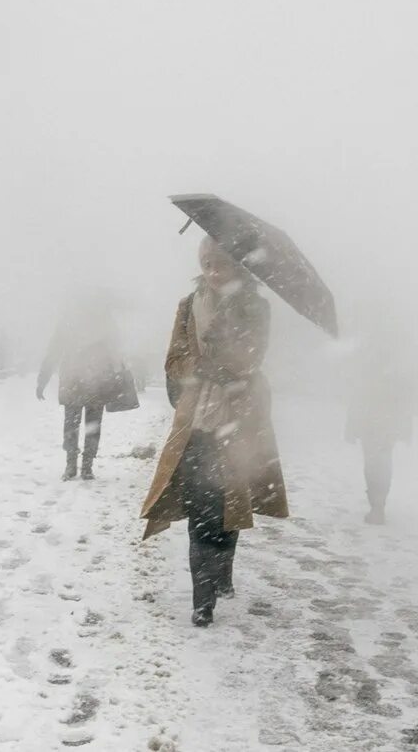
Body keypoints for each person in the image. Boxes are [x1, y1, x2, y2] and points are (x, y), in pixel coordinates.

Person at [139, 237, 289, 627]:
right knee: (201, 509)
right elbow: (173, 361)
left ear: (238, 264)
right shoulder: (188, 306)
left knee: (230, 506)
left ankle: (222, 572)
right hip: (196, 423)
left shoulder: (257, 307)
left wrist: (228, 345)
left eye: (221, 261)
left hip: (240, 422)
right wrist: (199, 365)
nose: (213, 269)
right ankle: (202, 599)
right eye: (207, 262)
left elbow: (254, 357)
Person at [345, 307, 418, 524]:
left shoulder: (374, 352)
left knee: (374, 460)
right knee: (382, 459)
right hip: (386, 416)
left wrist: (352, 421)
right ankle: (379, 503)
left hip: (376, 414)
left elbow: (359, 387)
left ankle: (377, 504)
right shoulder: (402, 353)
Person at [36, 293, 123, 481]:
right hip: (94, 381)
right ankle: (85, 466)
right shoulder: (105, 322)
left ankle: (73, 465)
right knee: (91, 425)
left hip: (76, 381)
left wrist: (42, 379)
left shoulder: (69, 322)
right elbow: (116, 352)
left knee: (71, 425)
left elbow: (53, 352)